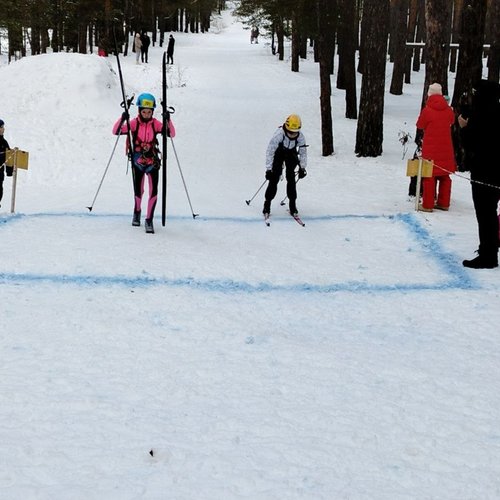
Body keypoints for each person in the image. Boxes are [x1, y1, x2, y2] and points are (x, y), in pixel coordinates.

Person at [112, 93, 176, 234]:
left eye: (149, 112)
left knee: (153, 191)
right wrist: (123, 119)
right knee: (139, 191)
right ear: (139, 110)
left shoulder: (156, 124)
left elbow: (171, 134)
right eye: (144, 111)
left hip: (152, 161)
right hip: (137, 161)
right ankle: (137, 211)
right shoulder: (134, 123)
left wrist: (168, 120)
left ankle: (149, 220)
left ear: (152, 111)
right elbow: (115, 131)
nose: (146, 114)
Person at [458, 79, 500, 269]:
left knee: (486, 215)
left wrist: (464, 128)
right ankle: (489, 252)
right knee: (489, 215)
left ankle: (488, 255)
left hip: (485, 174)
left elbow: (472, 143)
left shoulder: (482, 115)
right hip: (494, 172)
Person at [415, 82, 456, 212]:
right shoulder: (449, 110)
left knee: (429, 176)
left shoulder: (427, 110)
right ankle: (444, 203)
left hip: (431, 149)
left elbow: (420, 125)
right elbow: (452, 121)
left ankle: (427, 205)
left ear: (429, 94)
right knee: (445, 176)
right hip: (446, 149)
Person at [263, 114, 307, 216]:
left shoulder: (300, 136)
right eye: (291, 132)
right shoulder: (279, 134)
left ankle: (293, 205)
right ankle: (267, 204)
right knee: (274, 179)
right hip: (279, 153)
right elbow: (270, 151)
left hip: (291, 154)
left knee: (291, 178)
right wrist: (269, 169)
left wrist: (302, 167)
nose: (292, 134)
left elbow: (303, 151)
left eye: (295, 132)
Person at [0, 119, 13, 208]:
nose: (3, 129)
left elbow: (9, 156)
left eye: (3, 127)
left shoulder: (4, 142)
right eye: (1, 127)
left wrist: (9, 171)